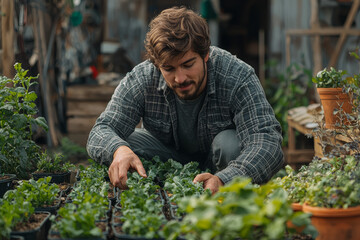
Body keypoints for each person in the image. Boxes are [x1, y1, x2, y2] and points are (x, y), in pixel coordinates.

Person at [87, 6, 284, 194]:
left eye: (188, 64)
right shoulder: (142, 78)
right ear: (157, 65)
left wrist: (225, 178)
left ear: (205, 54)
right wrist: (118, 150)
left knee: (230, 144)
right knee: (123, 144)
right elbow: (102, 129)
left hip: (220, 168)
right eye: (169, 69)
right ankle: (160, 192)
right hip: (167, 157)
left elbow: (267, 141)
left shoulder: (237, 77)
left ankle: (223, 197)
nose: (180, 78)